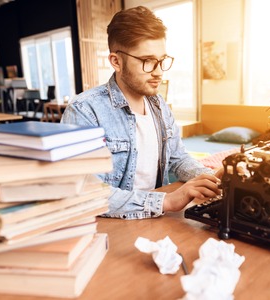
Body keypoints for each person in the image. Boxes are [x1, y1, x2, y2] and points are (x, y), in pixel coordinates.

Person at [61, 6, 221, 219]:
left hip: (155, 218)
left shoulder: (159, 105)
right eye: (147, 61)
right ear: (116, 61)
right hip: (110, 227)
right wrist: (167, 200)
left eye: (162, 60)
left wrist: (212, 179)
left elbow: (177, 158)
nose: (158, 72)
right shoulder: (84, 111)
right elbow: (85, 192)